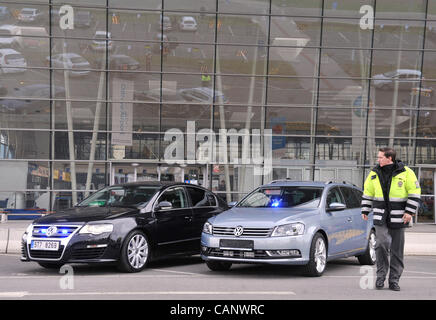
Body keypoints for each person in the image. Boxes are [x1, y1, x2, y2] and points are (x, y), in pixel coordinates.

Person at [361, 147, 421, 291]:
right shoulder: (374, 173)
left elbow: (414, 192)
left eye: (381, 157)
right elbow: (368, 192)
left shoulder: (406, 172)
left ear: (390, 158)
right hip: (380, 215)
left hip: (400, 217)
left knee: (397, 250)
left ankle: (394, 280)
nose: (378, 159)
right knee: (380, 244)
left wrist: (409, 212)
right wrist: (365, 209)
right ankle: (381, 277)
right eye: (378, 157)